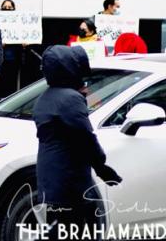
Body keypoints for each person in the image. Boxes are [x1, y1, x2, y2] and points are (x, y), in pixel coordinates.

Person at [32, 45, 122, 240]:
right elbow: (85, 137)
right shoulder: (70, 99)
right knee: (83, 230)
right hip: (70, 180)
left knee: (59, 230)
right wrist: (101, 166)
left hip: (51, 179)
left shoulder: (44, 98)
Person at [0, 0, 23, 100]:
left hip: (13, 58)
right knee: (1, 80)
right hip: (0, 58)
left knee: (11, 80)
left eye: (9, 7)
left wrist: (24, 43)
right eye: (5, 7)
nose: (7, 9)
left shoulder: (18, 22)